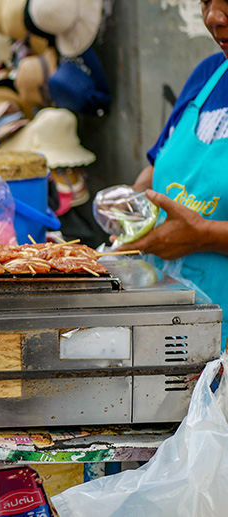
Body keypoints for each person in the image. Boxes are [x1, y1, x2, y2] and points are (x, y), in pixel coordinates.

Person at [118, 0, 228, 347]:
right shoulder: (209, 75)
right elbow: (159, 166)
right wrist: (128, 204)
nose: (214, 17)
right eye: (206, 1)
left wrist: (205, 235)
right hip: (166, 322)